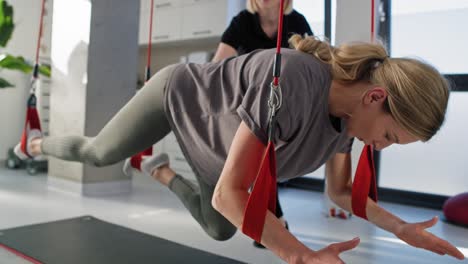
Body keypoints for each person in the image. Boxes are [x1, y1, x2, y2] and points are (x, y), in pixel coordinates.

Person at [14, 34, 465, 263]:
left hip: (220, 148)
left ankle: (161, 170)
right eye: (390, 136)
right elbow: (231, 194)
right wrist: (300, 254)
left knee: (220, 230)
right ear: (374, 97)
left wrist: (399, 228)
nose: (382, 146)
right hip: (179, 96)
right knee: (98, 153)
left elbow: (342, 194)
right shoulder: (295, 81)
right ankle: (34, 142)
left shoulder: (349, 126)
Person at [212, 0, 312, 247]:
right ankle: (273, 219)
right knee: (258, 159)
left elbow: (316, 62)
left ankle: (271, 219)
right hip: (248, 104)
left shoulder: (297, 22)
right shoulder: (242, 22)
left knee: (264, 159)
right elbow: (216, 65)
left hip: (284, 103)